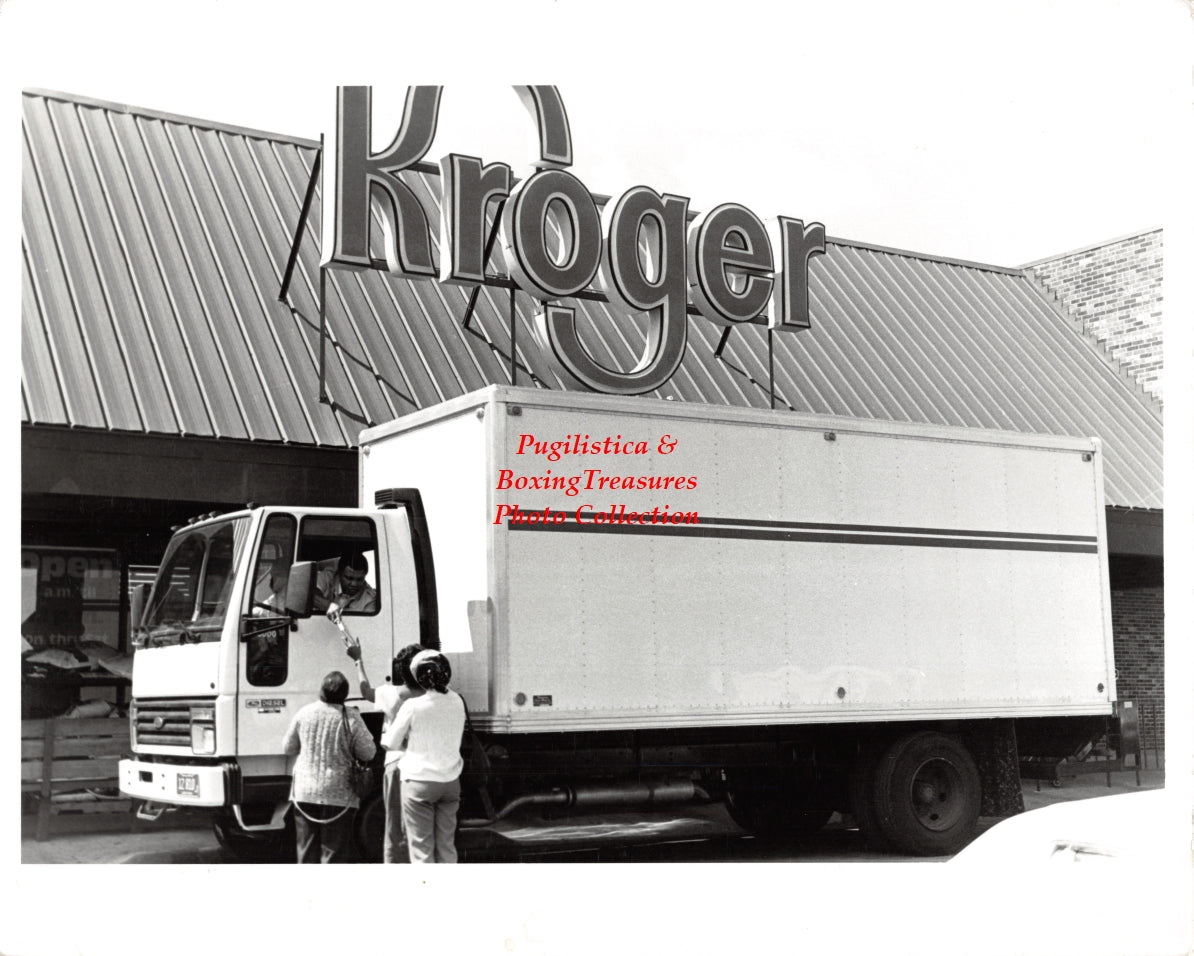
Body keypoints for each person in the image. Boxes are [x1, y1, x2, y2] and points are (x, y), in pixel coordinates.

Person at [281, 670, 376, 863]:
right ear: (345, 695)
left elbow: (288, 747)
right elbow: (368, 752)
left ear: (321, 690)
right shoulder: (351, 717)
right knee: (333, 853)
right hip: (338, 794)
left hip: (304, 791)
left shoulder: (304, 713)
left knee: (305, 851)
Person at [346, 638, 425, 863]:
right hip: (424, 766)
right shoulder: (432, 696)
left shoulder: (390, 694)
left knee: (394, 824)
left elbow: (364, 690)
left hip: (396, 764)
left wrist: (358, 660)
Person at [382, 650, 465, 863]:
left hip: (418, 783)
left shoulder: (413, 706)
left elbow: (389, 743)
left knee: (422, 849)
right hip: (450, 783)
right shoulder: (457, 701)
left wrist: (409, 741)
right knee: (446, 846)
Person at [314, 552, 378, 616]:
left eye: (359, 579)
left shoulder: (370, 599)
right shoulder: (327, 577)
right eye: (349, 578)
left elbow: (366, 624)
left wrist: (336, 608)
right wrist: (334, 606)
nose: (354, 584)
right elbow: (311, 596)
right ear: (339, 573)